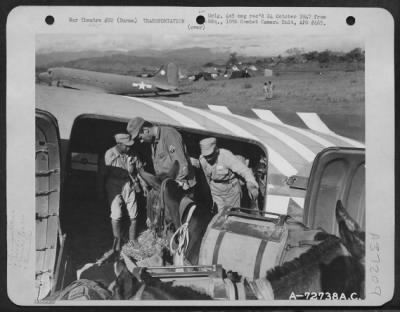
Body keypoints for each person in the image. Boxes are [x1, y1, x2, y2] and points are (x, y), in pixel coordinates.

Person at [198, 137, 259, 213]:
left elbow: (244, 170)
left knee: (232, 215)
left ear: (216, 150)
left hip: (231, 191)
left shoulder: (226, 156)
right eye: (206, 156)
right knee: (218, 216)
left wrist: (251, 183)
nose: (208, 159)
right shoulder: (202, 159)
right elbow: (206, 177)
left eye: (210, 155)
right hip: (216, 191)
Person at [104, 133, 141, 252]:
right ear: (119, 144)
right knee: (117, 215)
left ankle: (132, 241)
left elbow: (138, 170)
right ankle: (117, 241)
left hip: (128, 184)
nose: (129, 148)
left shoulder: (131, 154)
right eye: (126, 146)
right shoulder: (110, 154)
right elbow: (105, 172)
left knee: (134, 215)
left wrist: (136, 180)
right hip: (114, 185)